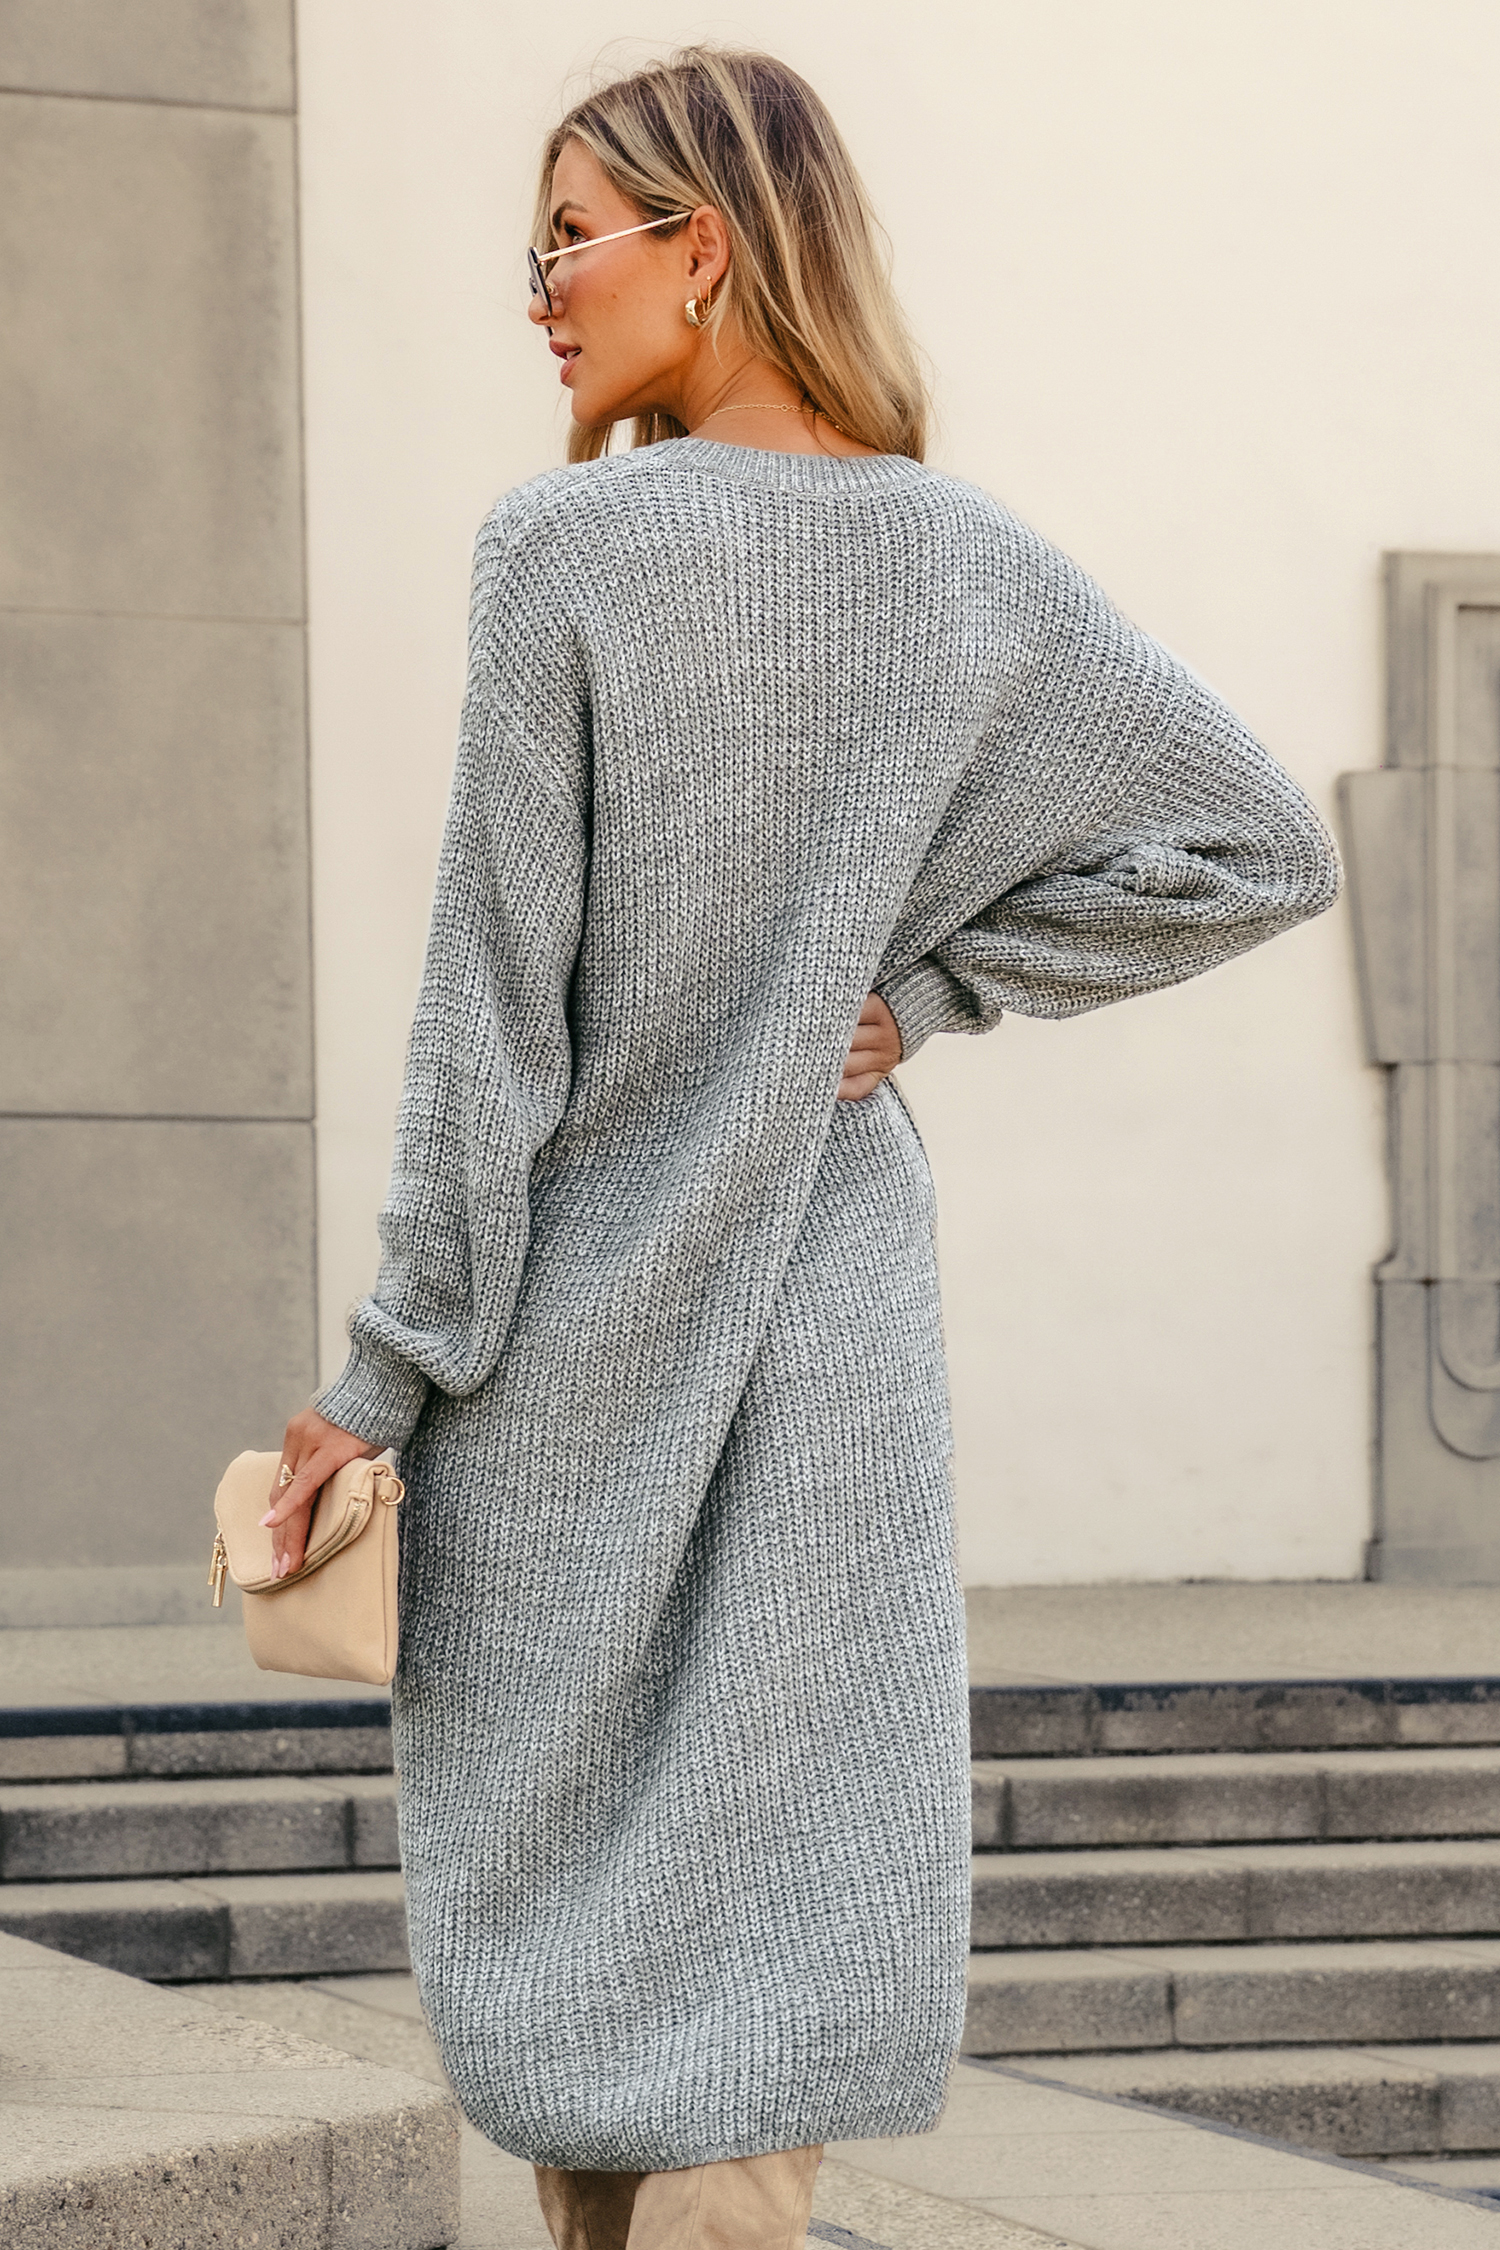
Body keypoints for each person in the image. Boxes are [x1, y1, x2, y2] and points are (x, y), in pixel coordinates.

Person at [263, 44, 1341, 2250]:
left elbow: (493, 1013)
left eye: (569, 243)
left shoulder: (561, 553)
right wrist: (926, 992)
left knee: (580, 1939)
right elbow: (1256, 843)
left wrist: (377, 1380)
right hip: (829, 1301)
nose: (540, 294)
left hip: (569, 1330)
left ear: (708, 247)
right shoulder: (964, 563)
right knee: (773, 1925)